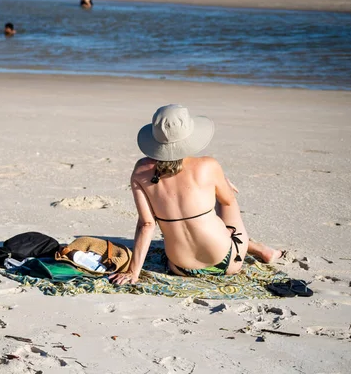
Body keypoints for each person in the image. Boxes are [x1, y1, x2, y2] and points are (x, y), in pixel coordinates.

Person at [110, 104, 282, 285]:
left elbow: (147, 225)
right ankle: (262, 250)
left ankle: (259, 249)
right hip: (228, 262)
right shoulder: (207, 165)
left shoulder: (140, 171)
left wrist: (133, 272)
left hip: (180, 268)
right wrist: (222, 181)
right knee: (227, 202)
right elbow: (227, 199)